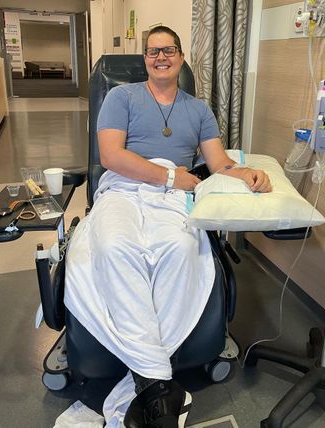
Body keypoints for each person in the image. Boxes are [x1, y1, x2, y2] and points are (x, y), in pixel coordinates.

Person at [65, 26, 271, 428]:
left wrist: (248, 173)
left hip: (173, 200)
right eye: (153, 51)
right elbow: (111, 156)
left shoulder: (199, 109)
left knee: (179, 250)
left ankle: (149, 378)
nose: (161, 56)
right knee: (111, 248)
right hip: (124, 189)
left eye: (169, 50)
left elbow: (220, 165)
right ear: (144, 58)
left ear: (180, 57)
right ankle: (157, 378)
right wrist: (171, 177)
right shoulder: (120, 97)